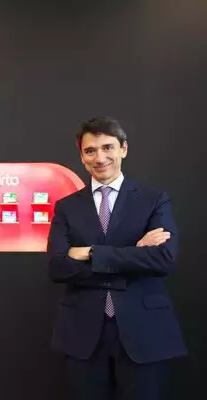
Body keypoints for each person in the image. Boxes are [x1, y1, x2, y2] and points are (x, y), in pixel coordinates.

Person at [47, 116, 187, 400]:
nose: (100, 158)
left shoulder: (154, 200)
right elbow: (58, 267)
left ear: (124, 148)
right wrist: (135, 252)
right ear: (82, 156)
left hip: (144, 331)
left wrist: (90, 252)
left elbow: (163, 260)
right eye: (90, 151)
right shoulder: (66, 207)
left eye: (107, 147)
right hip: (83, 334)